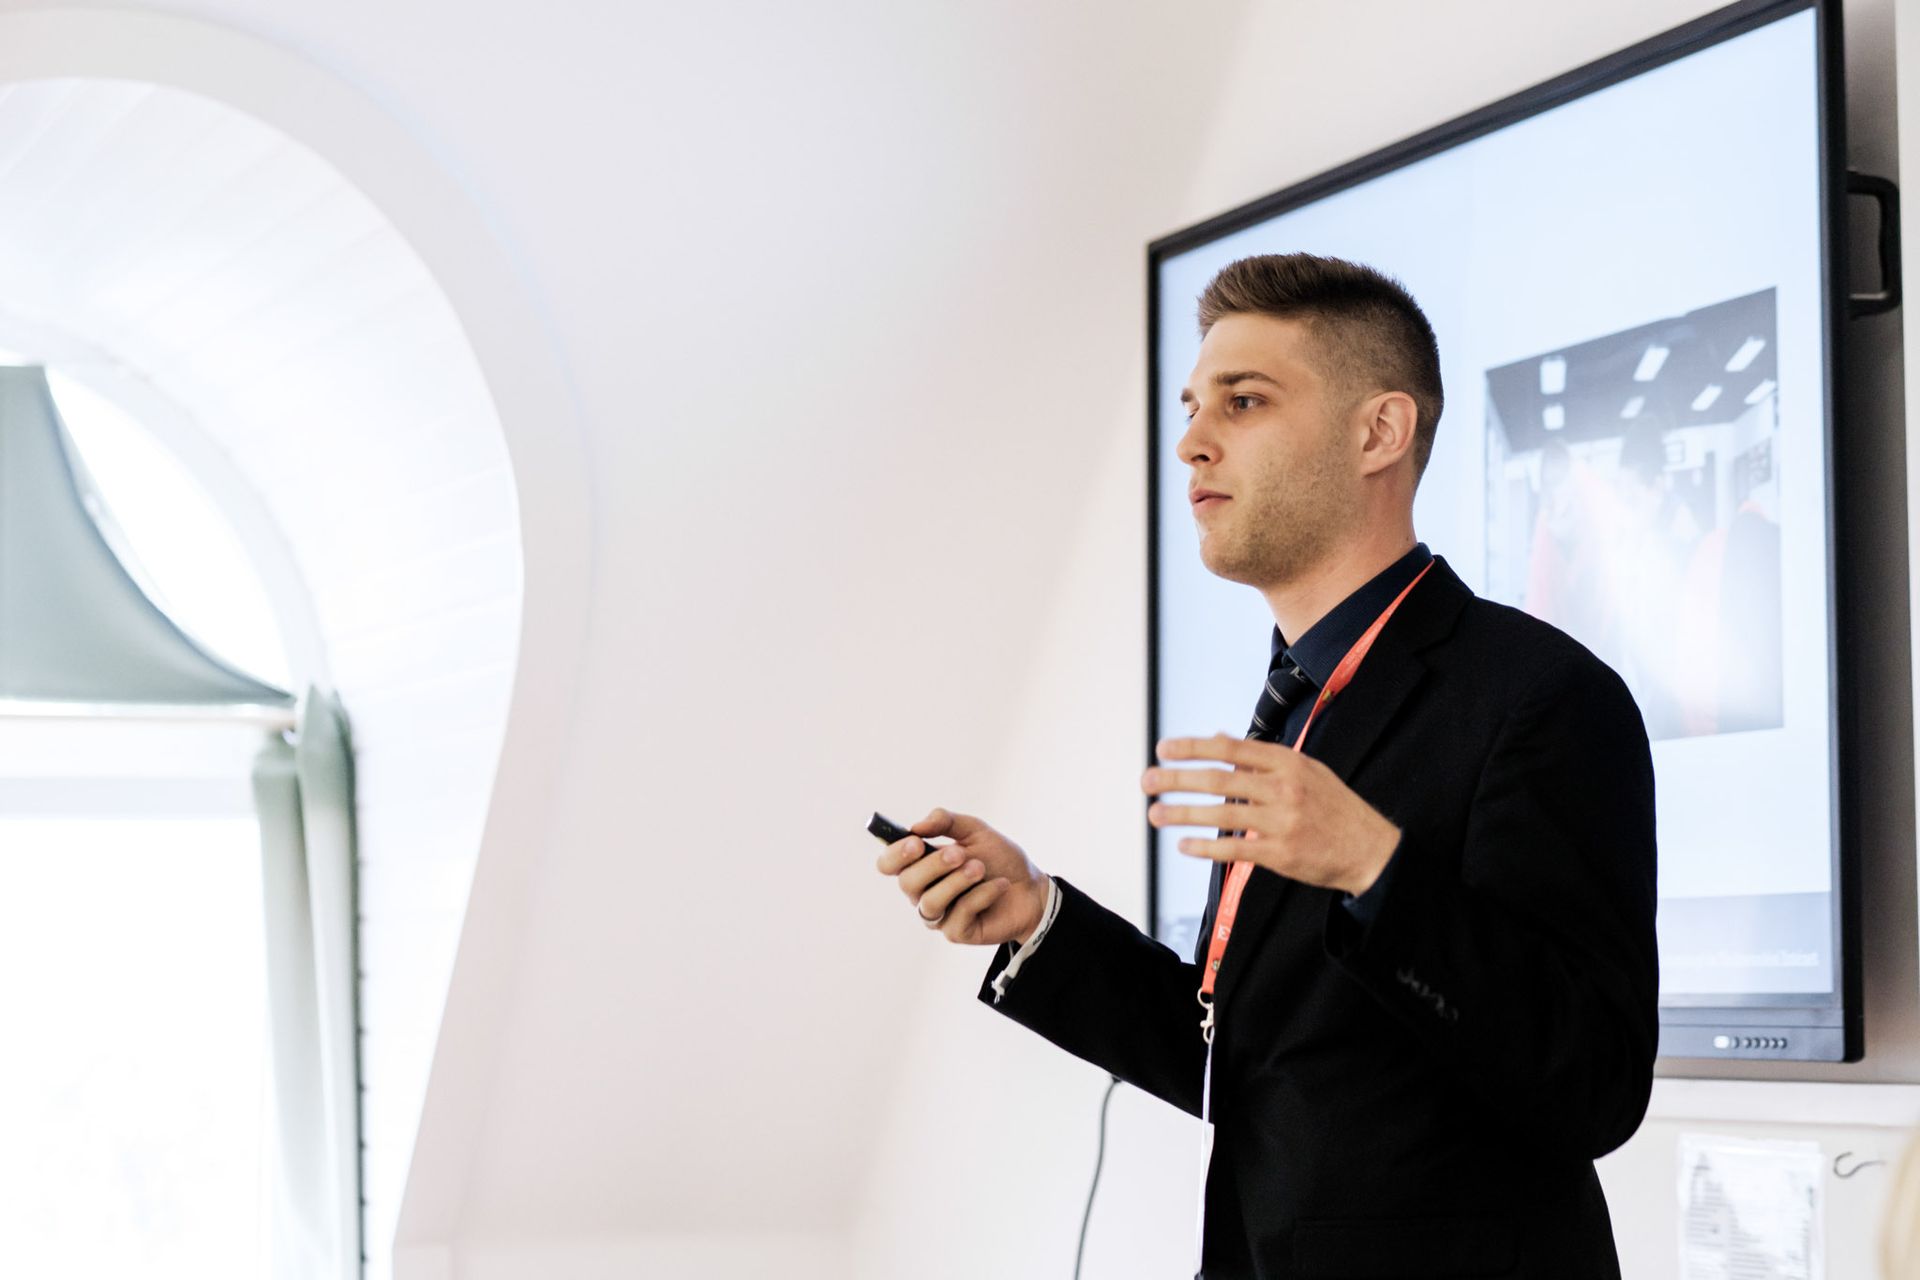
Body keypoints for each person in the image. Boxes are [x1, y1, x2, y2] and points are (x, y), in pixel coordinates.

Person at [873, 253, 1659, 1279]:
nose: (1192, 441)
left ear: (1379, 432)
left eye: (1243, 402)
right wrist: (1036, 916)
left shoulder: (1544, 697)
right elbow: (1252, 1062)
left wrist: (1376, 868)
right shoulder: (1299, 701)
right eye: (1194, 406)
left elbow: (1595, 1083)